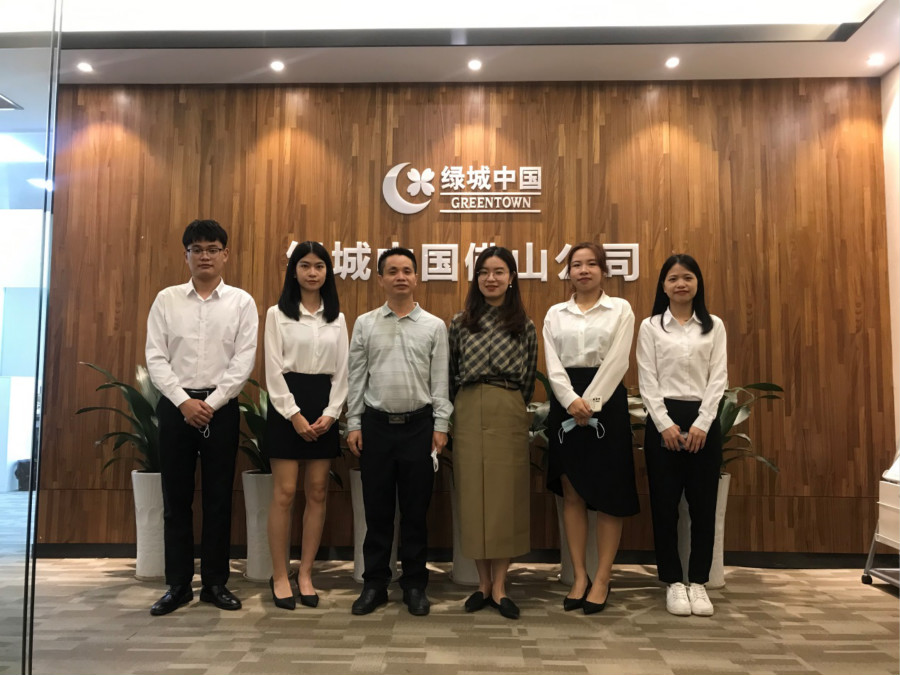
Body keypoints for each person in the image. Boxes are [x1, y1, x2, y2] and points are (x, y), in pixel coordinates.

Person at [145, 219, 258, 616]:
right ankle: (178, 586)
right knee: (175, 500)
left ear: (225, 254)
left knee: (218, 499)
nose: (205, 256)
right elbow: (155, 357)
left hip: (220, 411)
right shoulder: (167, 300)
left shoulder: (241, 302)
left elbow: (244, 359)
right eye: (197, 249)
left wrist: (213, 402)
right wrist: (183, 402)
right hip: (176, 408)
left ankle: (214, 583)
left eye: (212, 249)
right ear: (186, 255)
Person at [345, 247, 452, 617]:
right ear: (380, 279)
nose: (400, 277)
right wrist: (353, 423)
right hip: (375, 427)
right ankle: (374, 584)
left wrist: (441, 425)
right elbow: (356, 378)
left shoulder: (434, 326)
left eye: (407, 270)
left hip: (419, 428)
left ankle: (415, 585)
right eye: (392, 271)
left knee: (415, 513)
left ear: (416, 277)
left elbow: (440, 381)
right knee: (377, 512)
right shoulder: (365, 323)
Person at [542, 242, 639, 615]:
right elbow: (552, 364)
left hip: (607, 402)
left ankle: (602, 577)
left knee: (610, 492)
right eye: (576, 265)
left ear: (603, 270)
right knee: (573, 493)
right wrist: (570, 401)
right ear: (568, 272)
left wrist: (592, 403)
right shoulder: (555, 314)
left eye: (591, 264)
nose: (583, 270)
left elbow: (618, 361)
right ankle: (579, 576)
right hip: (565, 401)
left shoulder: (621, 309)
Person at [448, 246, 537, 621]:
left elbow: (529, 378)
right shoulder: (460, 322)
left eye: (499, 271)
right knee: (473, 497)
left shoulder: (524, 325)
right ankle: (482, 584)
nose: (491, 278)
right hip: (468, 405)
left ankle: (500, 586)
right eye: (484, 272)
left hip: (508, 404)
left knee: (504, 499)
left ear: (511, 277)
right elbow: (450, 372)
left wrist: (511, 405)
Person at [636, 254, 727, 617]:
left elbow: (719, 377)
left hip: (704, 419)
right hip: (664, 419)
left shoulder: (714, 326)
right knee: (665, 505)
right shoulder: (651, 327)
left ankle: (699, 582)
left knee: (703, 505)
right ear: (663, 285)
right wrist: (664, 423)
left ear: (697, 283)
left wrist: (703, 422)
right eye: (673, 278)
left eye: (687, 277)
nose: (680, 284)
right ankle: (674, 581)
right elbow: (647, 378)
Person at [264, 241, 348, 611]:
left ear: (327, 272)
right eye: (305, 265)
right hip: (287, 405)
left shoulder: (337, 317)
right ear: (293, 271)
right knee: (284, 493)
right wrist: (293, 414)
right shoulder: (277, 314)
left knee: (317, 492)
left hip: (323, 406)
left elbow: (343, 371)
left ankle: (306, 574)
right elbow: (272, 370)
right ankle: (280, 574)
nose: (312, 272)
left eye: (319, 266)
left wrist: (332, 413)